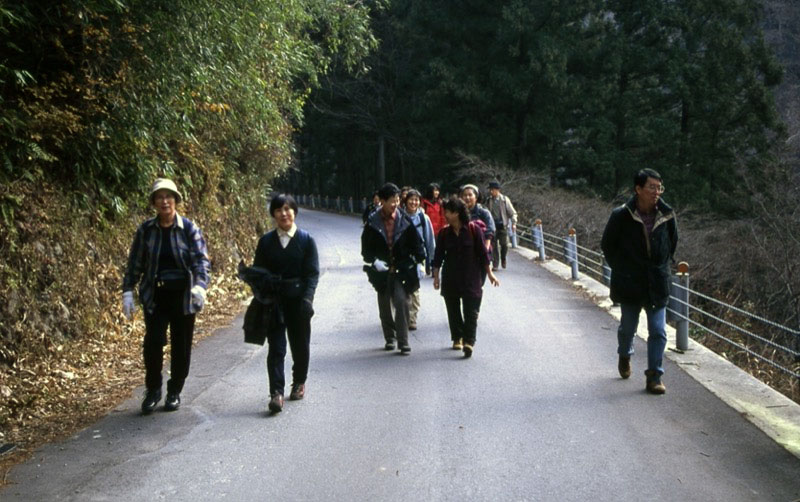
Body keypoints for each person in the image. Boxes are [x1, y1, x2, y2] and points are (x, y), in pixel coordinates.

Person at [122, 178, 211, 414]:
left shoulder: (189, 229)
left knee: (181, 347)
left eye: (168, 196)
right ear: (154, 202)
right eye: (159, 197)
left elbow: (201, 261)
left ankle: (174, 391)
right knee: (153, 343)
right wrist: (128, 290)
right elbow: (135, 263)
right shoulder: (146, 230)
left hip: (183, 296)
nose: (164, 201)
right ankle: (153, 390)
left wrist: (200, 286)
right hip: (156, 295)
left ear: (176, 201)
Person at [601, 168, 678, 394]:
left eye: (659, 187)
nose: (656, 192)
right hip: (630, 282)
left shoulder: (667, 214)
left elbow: (672, 243)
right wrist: (622, 269)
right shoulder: (621, 215)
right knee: (628, 327)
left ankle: (655, 376)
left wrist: (662, 266)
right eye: (651, 187)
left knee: (658, 330)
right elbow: (608, 245)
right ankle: (625, 355)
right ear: (638, 189)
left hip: (656, 282)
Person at [251, 194, 320, 413]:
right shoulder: (266, 242)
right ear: (273, 214)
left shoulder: (306, 240)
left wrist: (308, 299)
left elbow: (312, 274)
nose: (284, 213)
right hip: (275, 303)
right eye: (279, 209)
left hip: (299, 302)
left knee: (300, 345)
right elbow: (258, 273)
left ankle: (299, 382)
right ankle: (276, 393)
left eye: (288, 209)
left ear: (294, 212)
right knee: (276, 348)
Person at [361, 182, 426, 354]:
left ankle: (403, 341)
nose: (395, 204)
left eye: (397, 200)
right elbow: (365, 249)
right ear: (382, 201)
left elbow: (417, 243)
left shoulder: (405, 220)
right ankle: (389, 337)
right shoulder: (372, 223)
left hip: (402, 268)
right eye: (391, 200)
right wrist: (374, 261)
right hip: (381, 271)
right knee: (384, 305)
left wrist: (420, 262)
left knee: (402, 301)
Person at [432, 197, 499, 358]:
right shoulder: (444, 233)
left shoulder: (473, 230)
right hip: (451, 277)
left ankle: (469, 341)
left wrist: (489, 273)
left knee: (471, 311)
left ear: (456, 213)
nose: (445, 215)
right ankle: (457, 338)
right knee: (453, 309)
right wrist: (436, 277)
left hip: (471, 276)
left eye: (448, 212)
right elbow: (438, 257)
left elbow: (483, 254)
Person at [402, 189, 435, 330]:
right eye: (411, 199)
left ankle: (412, 318)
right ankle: (400, 316)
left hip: (418, 256)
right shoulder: (399, 215)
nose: (414, 202)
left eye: (416, 200)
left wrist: (432, 262)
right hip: (402, 256)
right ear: (405, 200)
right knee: (400, 287)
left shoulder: (423, 218)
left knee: (414, 288)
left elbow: (429, 241)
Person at [486, 180, 518, 271]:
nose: (491, 192)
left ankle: (503, 257)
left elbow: (512, 213)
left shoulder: (504, 200)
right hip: (493, 226)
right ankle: (495, 264)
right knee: (494, 245)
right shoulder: (488, 200)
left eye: (492, 190)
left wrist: (514, 223)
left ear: (497, 190)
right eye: (490, 190)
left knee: (504, 244)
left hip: (503, 226)